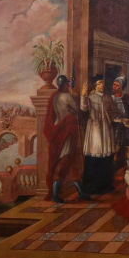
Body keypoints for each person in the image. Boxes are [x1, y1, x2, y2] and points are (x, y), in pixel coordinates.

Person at [43, 75, 84, 203]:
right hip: (67, 131)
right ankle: (55, 195)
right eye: (67, 84)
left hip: (59, 130)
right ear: (64, 85)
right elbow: (77, 109)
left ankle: (81, 192)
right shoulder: (66, 96)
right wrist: (76, 96)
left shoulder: (54, 97)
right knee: (65, 161)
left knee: (71, 163)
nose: (68, 86)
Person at [80, 75, 119, 196]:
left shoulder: (108, 97)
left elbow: (114, 111)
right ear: (95, 86)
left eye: (102, 83)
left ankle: (105, 184)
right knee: (94, 157)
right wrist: (83, 95)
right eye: (99, 83)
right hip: (95, 130)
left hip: (106, 129)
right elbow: (83, 108)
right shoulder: (90, 97)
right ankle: (91, 186)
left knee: (107, 158)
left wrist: (114, 118)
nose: (102, 85)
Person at [110, 76, 129, 171]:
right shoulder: (110, 98)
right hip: (116, 126)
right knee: (116, 149)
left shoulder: (127, 97)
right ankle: (112, 169)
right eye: (114, 84)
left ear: (122, 87)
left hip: (127, 126)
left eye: (117, 85)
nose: (115, 87)